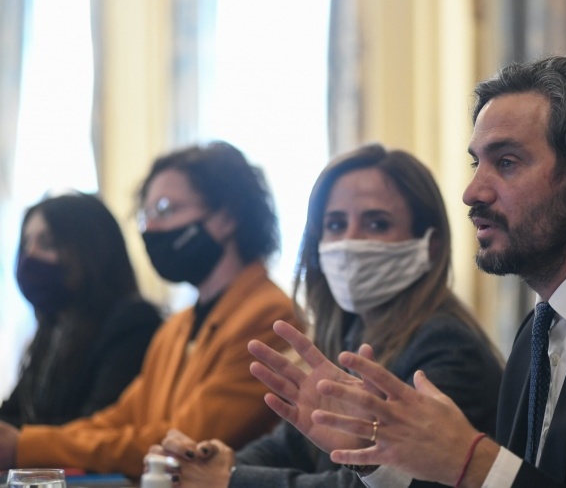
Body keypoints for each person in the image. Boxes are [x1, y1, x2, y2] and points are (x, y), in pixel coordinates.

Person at [249, 55, 566, 488]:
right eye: (477, 163)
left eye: (506, 163)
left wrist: (472, 460)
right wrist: (378, 459)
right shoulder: (538, 331)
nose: (472, 192)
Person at [150, 143, 504, 488]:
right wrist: (215, 465)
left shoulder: (446, 345)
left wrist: (232, 480)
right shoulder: (349, 331)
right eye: (335, 224)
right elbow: (290, 444)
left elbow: (387, 482)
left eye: (377, 224)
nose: (350, 241)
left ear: (431, 244)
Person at [0, 141, 305, 477]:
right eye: (146, 215)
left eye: (165, 209)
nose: (150, 228)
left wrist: (26, 447)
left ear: (227, 217)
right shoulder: (177, 326)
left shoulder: (270, 318)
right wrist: (25, 442)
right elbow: (119, 419)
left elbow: (181, 443)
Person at [0, 192, 161, 427]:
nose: (30, 255)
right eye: (26, 244)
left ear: (92, 250)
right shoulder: (54, 328)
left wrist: (19, 441)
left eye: (47, 243)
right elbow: (14, 414)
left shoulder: (132, 323)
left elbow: (98, 428)